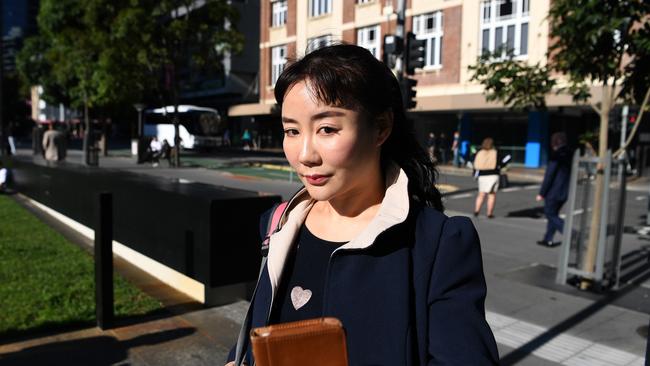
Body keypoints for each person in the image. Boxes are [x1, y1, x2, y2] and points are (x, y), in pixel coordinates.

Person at [226, 44, 498, 366]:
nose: (305, 155)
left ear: (381, 128)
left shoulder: (438, 244)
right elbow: (260, 328)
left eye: (327, 128)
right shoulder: (278, 223)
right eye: (292, 131)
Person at [536, 132, 572, 247]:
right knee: (553, 214)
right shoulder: (570, 153)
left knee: (550, 213)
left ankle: (570, 234)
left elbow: (549, 176)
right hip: (565, 190)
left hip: (554, 191)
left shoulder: (556, 155)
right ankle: (548, 239)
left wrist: (542, 193)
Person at [473, 137, 499, 218]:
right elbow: (503, 161)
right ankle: (489, 213)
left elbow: (475, 164)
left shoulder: (480, 152)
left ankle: (476, 211)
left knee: (481, 194)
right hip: (493, 175)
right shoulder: (495, 152)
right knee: (491, 194)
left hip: (482, 175)